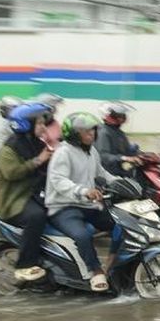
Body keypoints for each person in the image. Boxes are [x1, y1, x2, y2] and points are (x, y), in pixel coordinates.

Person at [45, 112, 124, 291]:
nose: (92, 135)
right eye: (86, 131)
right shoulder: (63, 152)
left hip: (88, 205)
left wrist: (121, 183)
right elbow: (59, 181)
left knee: (121, 224)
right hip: (63, 208)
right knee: (82, 235)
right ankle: (95, 271)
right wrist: (84, 191)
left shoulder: (91, 151)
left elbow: (101, 174)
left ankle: (111, 265)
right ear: (73, 134)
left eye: (93, 131)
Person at [0, 102, 53, 282]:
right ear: (27, 125)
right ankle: (24, 265)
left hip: (34, 193)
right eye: (40, 123)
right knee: (36, 216)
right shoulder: (9, 148)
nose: (43, 126)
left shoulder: (36, 143)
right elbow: (11, 173)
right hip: (14, 201)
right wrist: (38, 161)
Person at [94, 100, 153, 176]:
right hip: (106, 174)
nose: (121, 118)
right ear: (108, 116)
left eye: (122, 116)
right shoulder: (102, 132)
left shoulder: (118, 132)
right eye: (118, 115)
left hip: (118, 170)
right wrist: (124, 158)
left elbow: (127, 150)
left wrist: (146, 156)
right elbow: (103, 156)